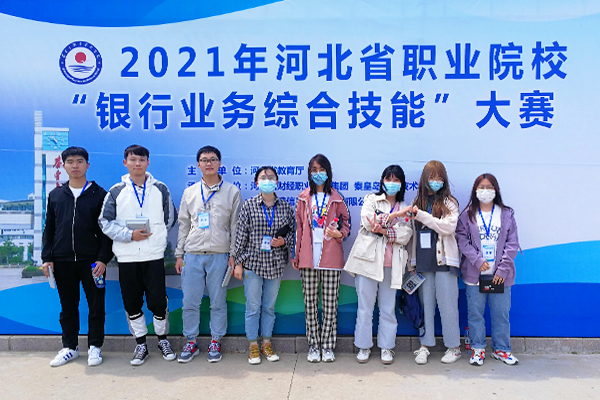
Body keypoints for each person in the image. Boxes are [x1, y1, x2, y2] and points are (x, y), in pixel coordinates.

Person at [99, 144, 177, 366]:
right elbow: (104, 222)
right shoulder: (116, 191)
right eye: (133, 159)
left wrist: (156, 237)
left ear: (148, 162)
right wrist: (129, 235)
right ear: (125, 163)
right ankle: (141, 344)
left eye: (142, 160)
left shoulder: (160, 188)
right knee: (132, 303)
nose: (137, 163)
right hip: (127, 258)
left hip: (154, 257)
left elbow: (170, 218)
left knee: (158, 302)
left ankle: (162, 339)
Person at [42, 147, 113, 367]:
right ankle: (70, 347)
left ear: (87, 165)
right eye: (70, 161)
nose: (75, 165)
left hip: (92, 262)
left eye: (80, 161)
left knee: (96, 305)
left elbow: (107, 231)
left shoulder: (100, 194)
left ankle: (95, 347)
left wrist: (102, 258)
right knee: (68, 306)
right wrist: (47, 257)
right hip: (62, 260)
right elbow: (49, 228)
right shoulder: (56, 195)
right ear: (63, 165)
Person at [174, 145, 242, 363]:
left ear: (220, 163)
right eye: (204, 160)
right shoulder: (190, 192)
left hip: (220, 254)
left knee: (218, 301)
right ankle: (191, 341)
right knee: (190, 301)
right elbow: (183, 224)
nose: (209, 163)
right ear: (198, 165)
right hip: (192, 254)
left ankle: (215, 340)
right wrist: (179, 254)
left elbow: (236, 226)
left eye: (213, 159)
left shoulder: (232, 191)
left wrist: (233, 254)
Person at [344, 165, 412, 365]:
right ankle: (363, 346)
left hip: (392, 265)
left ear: (402, 184)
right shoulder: (371, 199)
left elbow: (406, 234)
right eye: (388, 179)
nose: (392, 183)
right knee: (365, 308)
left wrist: (384, 230)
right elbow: (369, 222)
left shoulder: (405, 206)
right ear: (382, 181)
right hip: (368, 262)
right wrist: (394, 218)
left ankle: (386, 347)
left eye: (396, 180)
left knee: (388, 309)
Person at [232, 166, 295, 365]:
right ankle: (253, 346)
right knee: (253, 307)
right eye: (263, 177)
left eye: (271, 177)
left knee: (269, 307)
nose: (267, 180)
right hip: (253, 264)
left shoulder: (285, 207)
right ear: (256, 182)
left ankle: (266, 343)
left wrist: (284, 241)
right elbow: (240, 236)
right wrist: (238, 262)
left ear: (277, 181)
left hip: (275, 265)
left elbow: (294, 234)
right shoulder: (249, 206)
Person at [456, 173, 520, 366]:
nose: (485, 191)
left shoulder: (506, 214)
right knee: (475, 314)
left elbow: (512, 243)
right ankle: (478, 349)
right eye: (481, 187)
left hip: (500, 276)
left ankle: (501, 349)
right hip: (474, 275)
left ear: (496, 190)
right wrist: (477, 261)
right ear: (475, 190)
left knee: (501, 314)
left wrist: (502, 270)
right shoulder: (467, 215)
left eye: (489, 187)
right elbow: (462, 240)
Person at [292, 154, 350, 363]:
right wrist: (296, 254)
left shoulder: (337, 198)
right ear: (309, 173)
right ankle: (313, 346)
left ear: (328, 172)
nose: (318, 174)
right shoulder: (303, 198)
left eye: (321, 169)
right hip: (308, 257)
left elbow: (347, 223)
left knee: (330, 305)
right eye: (314, 170)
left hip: (331, 257)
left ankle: (327, 346)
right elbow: (298, 228)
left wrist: (339, 234)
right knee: (310, 304)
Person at [408, 160, 461, 365]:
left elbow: (448, 228)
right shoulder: (417, 202)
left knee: (448, 306)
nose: (436, 181)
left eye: (439, 178)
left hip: (445, 261)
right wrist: (411, 264)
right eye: (432, 177)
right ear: (424, 179)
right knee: (426, 307)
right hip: (423, 262)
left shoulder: (450, 203)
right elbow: (412, 235)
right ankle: (425, 346)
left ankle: (454, 347)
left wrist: (422, 216)